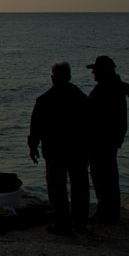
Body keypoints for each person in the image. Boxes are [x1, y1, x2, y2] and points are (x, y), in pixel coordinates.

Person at [28, 61, 90, 235]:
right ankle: (80, 223)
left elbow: (35, 128)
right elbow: (91, 124)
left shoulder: (44, 100)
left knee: (56, 187)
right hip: (78, 150)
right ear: (69, 77)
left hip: (55, 151)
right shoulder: (81, 97)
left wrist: (33, 148)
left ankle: (62, 223)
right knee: (80, 186)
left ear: (52, 78)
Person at [87, 55, 129, 224]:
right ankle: (110, 212)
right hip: (107, 141)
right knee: (108, 176)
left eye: (95, 70)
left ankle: (106, 213)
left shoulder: (106, 90)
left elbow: (93, 114)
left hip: (101, 141)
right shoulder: (114, 88)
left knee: (103, 177)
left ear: (103, 72)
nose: (93, 73)